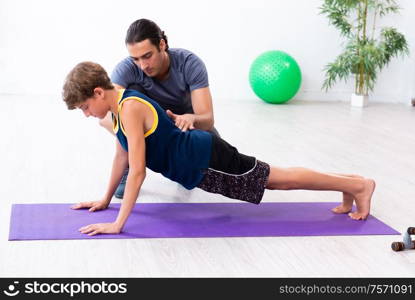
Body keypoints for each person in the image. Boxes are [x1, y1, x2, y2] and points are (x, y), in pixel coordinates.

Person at [62, 62, 376, 236]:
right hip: (198, 162)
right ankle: (348, 183)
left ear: (99, 92)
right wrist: (105, 200)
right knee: (277, 177)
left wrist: (118, 225)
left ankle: (358, 186)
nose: (87, 114)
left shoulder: (128, 108)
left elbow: (138, 170)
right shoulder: (116, 106)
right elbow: (122, 154)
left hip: (205, 159)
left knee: (279, 179)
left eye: (85, 107)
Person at [102, 19, 218, 199]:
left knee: (217, 160)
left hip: (186, 128)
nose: (143, 65)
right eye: (136, 59)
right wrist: (137, 136)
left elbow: (207, 119)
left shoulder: (189, 63)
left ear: (162, 44)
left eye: (147, 56)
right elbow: (106, 116)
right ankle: (129, 166)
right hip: (154, 130)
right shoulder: (127, 69)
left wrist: (191, 118)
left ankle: (183, 162)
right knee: (122, 106)